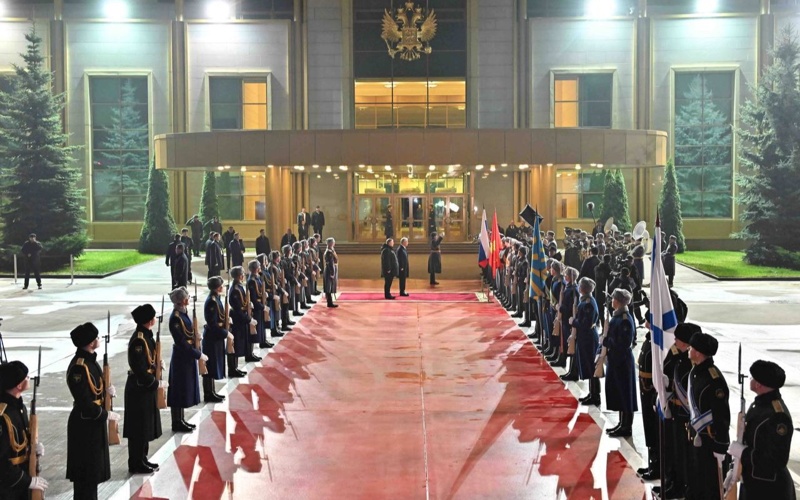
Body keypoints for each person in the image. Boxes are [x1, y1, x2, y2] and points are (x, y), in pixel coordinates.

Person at [727, 360, 794, 500]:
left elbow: (776, 460)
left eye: (752, 378)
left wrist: (743, 452)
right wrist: (735, 467)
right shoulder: (760, 405)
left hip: (769, 489)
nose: (750, 380)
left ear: (758, 384)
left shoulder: (778, 417)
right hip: (754, 483)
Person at [66, 322, 113, 499]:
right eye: (96, 338)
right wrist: (105, 415)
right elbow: (84, 400)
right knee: (85, 474)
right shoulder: (80, 366)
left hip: (92, 421)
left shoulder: (89, 361)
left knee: (92, 472)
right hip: (85, 423)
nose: (98, 340)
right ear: (91, 342)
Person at [686, 330, 730, 500]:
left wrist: (720, 445)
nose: (689, 350)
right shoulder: (697, 372)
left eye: (691, 347)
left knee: (710, 485)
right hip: (698, 438)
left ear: (698, 352)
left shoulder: (714, 379)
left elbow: (721, 415)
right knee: (697, 480)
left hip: (710, 441)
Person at [125, 304, 164, 474]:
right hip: (139, 388)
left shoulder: (146, 336)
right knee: (138, 427)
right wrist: (155, 383)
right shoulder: (140, 340)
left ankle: (142, 458)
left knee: (145, 425)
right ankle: (135, 461)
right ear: (149, 321)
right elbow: (140, 368)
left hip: (145, 387)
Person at [0, 361, 49, 498]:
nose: (29, 379)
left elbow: (22, 438)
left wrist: (33, 447)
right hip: (8, 487)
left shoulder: (19, 408)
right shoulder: (4, 415)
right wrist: (26, 481)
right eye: (26, 377)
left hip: (20, 479)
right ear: (19, 385)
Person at [167, 286, 206, 433]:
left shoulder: (183, 314)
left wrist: (196, 337)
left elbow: (188, 334)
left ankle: (181, 419)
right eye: (187, 297)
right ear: (182, 300)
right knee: (178, 390)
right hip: (181, 357)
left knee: (183, 388)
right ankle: (176, 421)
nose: (189, 299)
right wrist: (197, 354)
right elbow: (181, 342)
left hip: (187, 356)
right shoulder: (176, 318)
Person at [603, 288, 638, 438]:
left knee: (625, 394)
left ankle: (626, 426)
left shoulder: (624, 319)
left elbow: (623, 342)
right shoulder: (617, 315)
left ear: (618, 301)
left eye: (613, 299)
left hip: (622, 361)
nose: (611, 301)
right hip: (616, 359)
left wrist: (606, 341)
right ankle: (621, 423)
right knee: (619, 392)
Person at [202, 276, 232, 402]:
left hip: (217, 336)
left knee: (214, 365)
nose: (223, 287)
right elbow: (213, 323)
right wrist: (225, 333)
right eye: (222, 285)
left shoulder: (216, 299)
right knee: (209, 366)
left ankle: (212, 391)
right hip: (213, 337)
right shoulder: (212, 302)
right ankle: (208, 393)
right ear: (218, 287)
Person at [571, 277, 600, 404]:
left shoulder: (588, 302)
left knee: (591, 367)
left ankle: (595, 395)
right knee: (588, 366)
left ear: (582, 288)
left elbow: (586, 323)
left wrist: (574, 322)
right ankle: (591, 393)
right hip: (585, 336)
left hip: (588, 337)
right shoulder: (586, 300)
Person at [227, 267, 250, 378]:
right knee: (234, 344)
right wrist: (248, 319)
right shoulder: (235, 289)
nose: (243, 276)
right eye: (242, 274)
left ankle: (235, 368)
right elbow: (237, 308)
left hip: (240, 318)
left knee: (238, 343)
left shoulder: (239, 287)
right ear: (239, 276)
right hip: (237, 319)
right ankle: (232, 369)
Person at [246, 260, 266, 362]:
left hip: (259, 305)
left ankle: (253, 351)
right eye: (259, 266)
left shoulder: (256, 278)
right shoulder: (252, 281)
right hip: (256, 307)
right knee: (253, 332)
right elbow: (253, 297)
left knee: (259, 328)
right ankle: (249, 353)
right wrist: (261, 306)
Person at [324, 238, 338, 307]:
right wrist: (332, 273)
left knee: (330, 286)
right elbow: (330, 263)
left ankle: (330, 301)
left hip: (332, 269)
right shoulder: (329, 252)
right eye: (333, 242)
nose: (334, 243)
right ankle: (329, 302)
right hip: (330, 270)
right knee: (328, 287)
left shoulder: (331, 250)